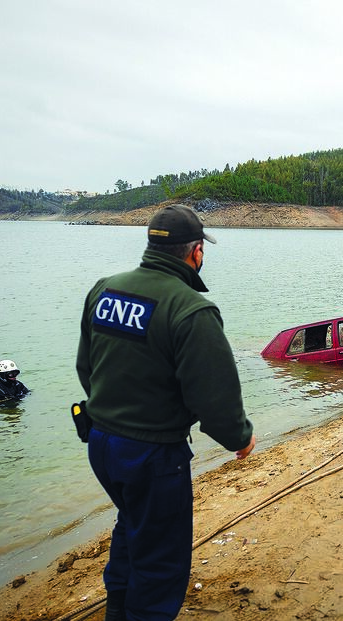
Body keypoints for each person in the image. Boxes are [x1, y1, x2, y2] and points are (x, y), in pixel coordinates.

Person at [76, 204, 255, 621]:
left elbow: (87, 368)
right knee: (162, 556)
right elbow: (213, 396)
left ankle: (117, 608)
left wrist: (111, 414)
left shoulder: (104, 289)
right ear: (195, 253)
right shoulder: (191, 309)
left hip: (100, 442)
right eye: (202, 251)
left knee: (133, 524)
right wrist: (239, 437)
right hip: (152, 454)